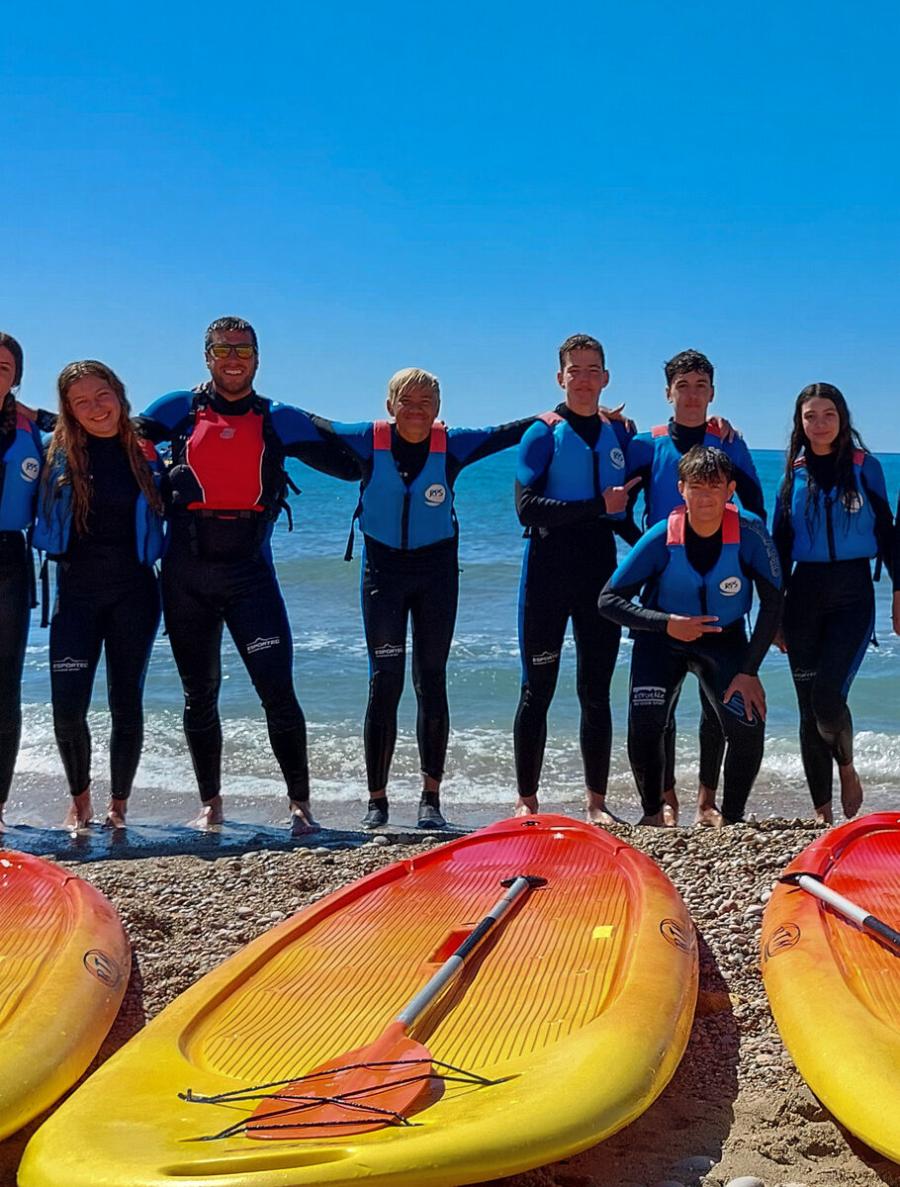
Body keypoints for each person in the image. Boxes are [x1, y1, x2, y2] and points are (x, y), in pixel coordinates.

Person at [136, 316, 360, 833]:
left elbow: (349, 464)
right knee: (200, 694)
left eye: (243, 349)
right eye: (222, 348)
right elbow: (114, 438)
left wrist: (330, 429)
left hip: (249, 574)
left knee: (277, 690)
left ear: (258, 358)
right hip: (186, 570)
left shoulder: (277, 417)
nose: (233, 357)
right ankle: (210, 803)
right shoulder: (179, 409)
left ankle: (301, 804)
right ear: (207, 356)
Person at [307, 368, 540, 829]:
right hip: (383, 576)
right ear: (390, 405)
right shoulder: (366, 440)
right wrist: (257, 411)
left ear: (438, 409)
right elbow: (311, 424)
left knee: (431, 681)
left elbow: (508, 433)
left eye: (426, 402)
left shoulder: (450, 445)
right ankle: (377, 801)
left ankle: (430, 798)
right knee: (384, 683)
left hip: (435, 575)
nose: (416, 410)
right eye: (407, 401)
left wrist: (557, 415)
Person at [599, 446, 782, 825]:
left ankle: (731, 819)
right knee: (647, 721)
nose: (705, 497)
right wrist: (665, 623)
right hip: (661, 640)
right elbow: (608, 600)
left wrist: (749, 670)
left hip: (723, 639)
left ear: (730, 490)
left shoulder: (750, 533)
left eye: (714, 487)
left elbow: (773, 602)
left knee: (748, 723)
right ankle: (653, 814)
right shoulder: (661, 536)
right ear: (681, 489)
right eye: (696, 487)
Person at [625, 349, 766, 826]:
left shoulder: (728, 442)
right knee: (657, 708)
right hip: (664, 584)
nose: (691, 394)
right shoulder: (647, 445)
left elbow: (756, 507)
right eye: (682, 385)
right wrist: (648, 547)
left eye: (700, 385)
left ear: (712, 392)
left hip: (718, 586)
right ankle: (666, 800)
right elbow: (616, 505)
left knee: (716, 705)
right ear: (668, 392)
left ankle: (709, 800)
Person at [33, 361, 165, 830]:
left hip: (135, 592)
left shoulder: (146, 451)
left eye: (102, 394)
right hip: (76, 595)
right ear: (68, 410)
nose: (95, 407)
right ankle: (81, 798)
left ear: (119, 392)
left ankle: (119, 805)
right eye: (81, 401)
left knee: (126, 702)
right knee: (68, 709)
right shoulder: (54, 453)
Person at [512, 334, 638, 825]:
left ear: (605, 378)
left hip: (599, 575)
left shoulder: (619, 435)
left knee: (595, 691)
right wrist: (596, 508)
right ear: (559, 377)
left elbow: (626, 509)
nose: (584, 379)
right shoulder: (542, 434)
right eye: (575, 370)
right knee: (536, 690)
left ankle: (597, 803)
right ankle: (526, 800)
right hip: (546, 573)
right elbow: (526, 507)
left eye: (593, 370)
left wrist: (660, 552)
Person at [772, 383, 895, 825]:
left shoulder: (866, 468)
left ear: (842, 418)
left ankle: (846, 767)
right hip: (803, 595)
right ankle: (821, 815)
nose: (819, 423)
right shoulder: (794, 474)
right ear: (800, 423)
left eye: (828, 414)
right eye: (810, 416)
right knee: (808, 708)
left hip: (853, 593)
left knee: (827, 696)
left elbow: (888, 534)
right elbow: (780, 550)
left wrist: (898, 593)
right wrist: (773, 616)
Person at [0, 333, 44, 831]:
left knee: (4, 686)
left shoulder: (32, 430)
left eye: (6, 367)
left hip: (9, 558)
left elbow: (89, 426)